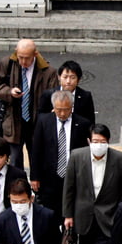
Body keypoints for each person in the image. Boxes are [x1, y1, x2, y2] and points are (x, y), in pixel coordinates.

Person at [0, 38, 59, 169]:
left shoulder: (48, 72)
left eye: (27, 58)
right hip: (13, 122)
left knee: (37, 162)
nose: (23, 61)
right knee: (14, 162)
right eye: (20, 57)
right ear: (16, 52)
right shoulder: (7, 63)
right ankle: (17, 188)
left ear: (35, 54)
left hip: (36, 124)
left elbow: (54, 97)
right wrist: (9, 91)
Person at [30, 90, 91, 222]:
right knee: (50, 214)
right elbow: (36, 150)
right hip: (49, 176)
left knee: (70, 214)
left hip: (73, 176)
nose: (62, 114)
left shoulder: (83, 124)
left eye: (66, 109)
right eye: (59, 110)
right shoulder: (44, 121)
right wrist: (34, 176)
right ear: (53, 107)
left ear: (72, 107)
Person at [38, 60, 96, 125]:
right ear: (59, 77)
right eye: (65, 77)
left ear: (78, 79)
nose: (68, 81)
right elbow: (40, 117)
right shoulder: (49, 94)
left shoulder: (85, 96)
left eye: (72, 77)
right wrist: (51, 115)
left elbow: (90, 121)